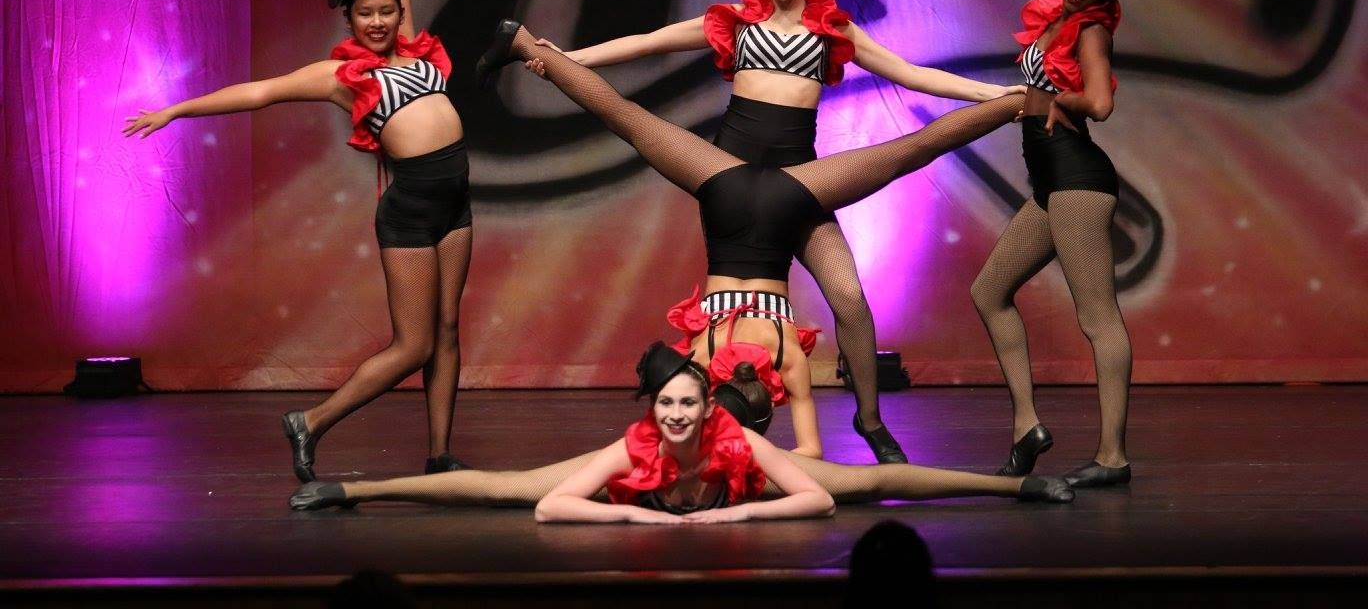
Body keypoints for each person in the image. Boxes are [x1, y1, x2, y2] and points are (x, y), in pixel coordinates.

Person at [534, 0, 1023, 463]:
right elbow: (649, 41)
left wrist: (992, 95)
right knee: (728, 294)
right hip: (732, 176)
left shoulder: (832, 28)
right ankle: (712, 411)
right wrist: (566, 59)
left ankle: (870, 421)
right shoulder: (736, 21)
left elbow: (911, 73)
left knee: (850, 299)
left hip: (798, 182)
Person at [124, 0, 472, 480]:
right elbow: (260, 93)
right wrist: (178, 108)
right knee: (413, 344)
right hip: (413, 208)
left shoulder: (414, 44)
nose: (379, 21)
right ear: (349, 19)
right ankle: (310, 422)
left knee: (447, 332)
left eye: (386, 10)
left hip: (458, 202)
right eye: (365, 13)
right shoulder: (340, 77)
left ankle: (440, 455)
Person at [289, 342, 1074, 518]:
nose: (675, 416)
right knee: (502, 488)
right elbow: (549, 508)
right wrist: (632, 515)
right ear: (650, 409)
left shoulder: (737, 437)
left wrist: (732, 515)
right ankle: (355, 487)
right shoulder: (631, 446)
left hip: (745, 484)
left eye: (687, 406)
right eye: (664, 406)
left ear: (707, 409)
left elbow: (820, 504)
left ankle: (1014, 482)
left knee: (868, 482)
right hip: (647, 492)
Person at [969, 0, 1135, 488]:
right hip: (1051, 185)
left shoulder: (1090, 31)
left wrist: (1052, 100)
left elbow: (1099, 104)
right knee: (989, 291)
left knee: (1098, 320)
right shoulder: (1054, 19)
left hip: (1078, 182)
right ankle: (1026, 425)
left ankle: (1113, 457)